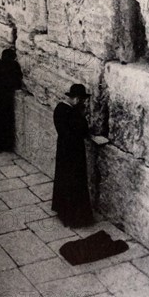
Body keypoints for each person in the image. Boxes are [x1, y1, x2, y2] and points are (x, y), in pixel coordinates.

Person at [52, 83, 94, 228]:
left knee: (63, 180)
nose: (82, 103)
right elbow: (81, 130)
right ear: (76, 99)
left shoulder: (59, 109)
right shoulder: (73, 113)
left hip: (63, 150)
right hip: (74, 153)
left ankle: (62, 210)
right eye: (82, 100)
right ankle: (74, 217)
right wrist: (83, 117)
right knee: (75, 183)